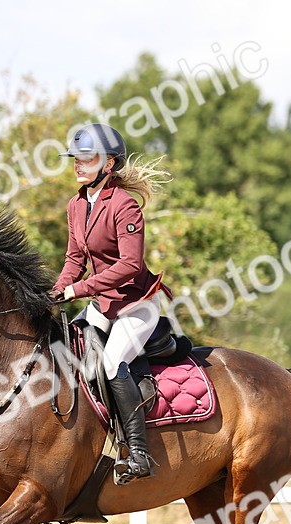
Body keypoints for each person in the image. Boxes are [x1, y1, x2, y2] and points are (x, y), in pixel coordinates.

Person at [50, 123, 171, 483]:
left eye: (86, 159)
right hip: (102, 305)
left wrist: (78, 290)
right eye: (76, 158)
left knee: (113, 361)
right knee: (65, 351)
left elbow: (130, 265)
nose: (77, 164)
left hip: (135, 305)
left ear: (109, 163)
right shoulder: (75, 204)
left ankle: (138, 454)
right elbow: (74, 258)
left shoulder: (125, 205)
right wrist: (57, 291)